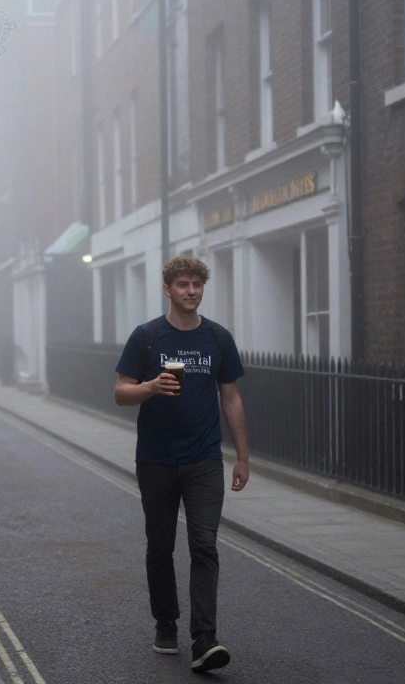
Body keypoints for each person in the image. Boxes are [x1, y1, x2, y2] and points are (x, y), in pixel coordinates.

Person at [113, 255, 250, 674]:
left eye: (197, 285)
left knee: (204, 544)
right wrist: (151, 386)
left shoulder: (218, 338)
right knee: (160, 546)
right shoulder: (148, 337)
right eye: (183, 285)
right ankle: (166, 622)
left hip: (205, 459)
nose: (191, 291)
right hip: (155, 460)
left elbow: (230, 397)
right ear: (168, 289)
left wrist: (242, 455)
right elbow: (120, 392)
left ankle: (204, 637)